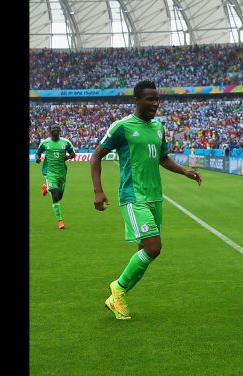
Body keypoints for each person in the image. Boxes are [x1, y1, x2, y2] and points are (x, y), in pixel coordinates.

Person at [90, 80, 203, 320]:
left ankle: (115, 299)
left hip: (155, 197)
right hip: (133, 196)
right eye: (150, 99)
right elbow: (96, 156)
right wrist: (97, 191)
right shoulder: (122, 127)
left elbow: (163, 158)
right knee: (154, 248)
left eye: (157, 99)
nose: (155, 103)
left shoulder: (159, 127)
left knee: (144, 251)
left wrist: (186, 172)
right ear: (137, 100)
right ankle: (118, 289)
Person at [36, 123, 76, 229]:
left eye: (57, 128)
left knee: (59, 196)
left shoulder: (66, 142)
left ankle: (46, 187)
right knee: (55, 195)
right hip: (50, 173)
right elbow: (38, 153)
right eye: (53, 128)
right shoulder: (45, 143)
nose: (55, 130)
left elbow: (73, 154)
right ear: (50, 131)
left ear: (60, 131)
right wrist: (38, 158)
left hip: (62, 173)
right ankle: (60, 221)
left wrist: (67, 157)